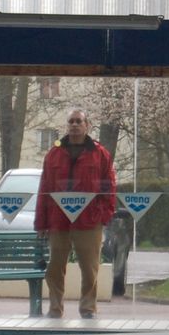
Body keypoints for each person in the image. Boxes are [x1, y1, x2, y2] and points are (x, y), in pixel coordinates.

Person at [35, 108, 117, 320]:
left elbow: (109, 187)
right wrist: (41, 223)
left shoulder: (100, 154)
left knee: (90, 269)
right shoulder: (53, 154)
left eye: (78, 121)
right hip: (58, 221)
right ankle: (55, 309)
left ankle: (88, 309)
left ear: (87, 125)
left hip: (89, 221)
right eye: (71, 121)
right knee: (55, 269)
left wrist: (103, 215)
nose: (74, 125)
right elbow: (44, 189)